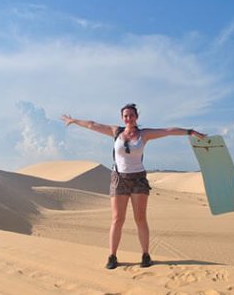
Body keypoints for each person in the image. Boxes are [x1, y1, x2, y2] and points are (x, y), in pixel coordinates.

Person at [60, 103, 206, 269]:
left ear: (136, 117)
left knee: (140, 219)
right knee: (117, 219)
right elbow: (92, 124)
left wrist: (190, 132)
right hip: (119, 179)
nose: (128, 118)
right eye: (125, 116)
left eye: (131, 115)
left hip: (138, 180)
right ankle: (112, 256)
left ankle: (145, 255)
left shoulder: (144, 134)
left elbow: (168, 131)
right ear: (122, 118)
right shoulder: (116, 132)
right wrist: (73, 121)